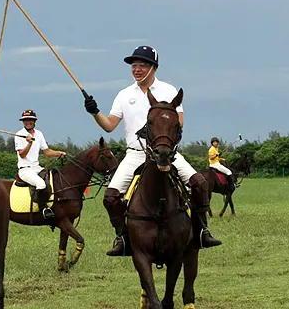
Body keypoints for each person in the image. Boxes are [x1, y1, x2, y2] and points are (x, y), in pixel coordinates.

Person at [83, 45, 222, 255]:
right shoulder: (124, 94)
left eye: (142, 65)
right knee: (110, 197)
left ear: (153, 67)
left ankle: (201, 230)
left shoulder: (168, 90)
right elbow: (110, 125)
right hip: (135, 154)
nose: (136, 69)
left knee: (200, 184)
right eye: (134, 66)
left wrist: (162, 139)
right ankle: (123, 238)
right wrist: (95, 112)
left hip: (166, 152)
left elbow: (180, 122)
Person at [14, 109, 67, 219]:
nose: (28, 122)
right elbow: (22, 155)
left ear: (34, 121)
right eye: (25, 120)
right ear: (23, 122)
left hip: (37, 168)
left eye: (30, 120)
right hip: (25, 170)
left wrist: (59, 153)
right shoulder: (19, 135)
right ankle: (43, 209)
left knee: (53, 180)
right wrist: (29, 143)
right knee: (41, 184)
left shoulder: (39, 134)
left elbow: (47, 152)